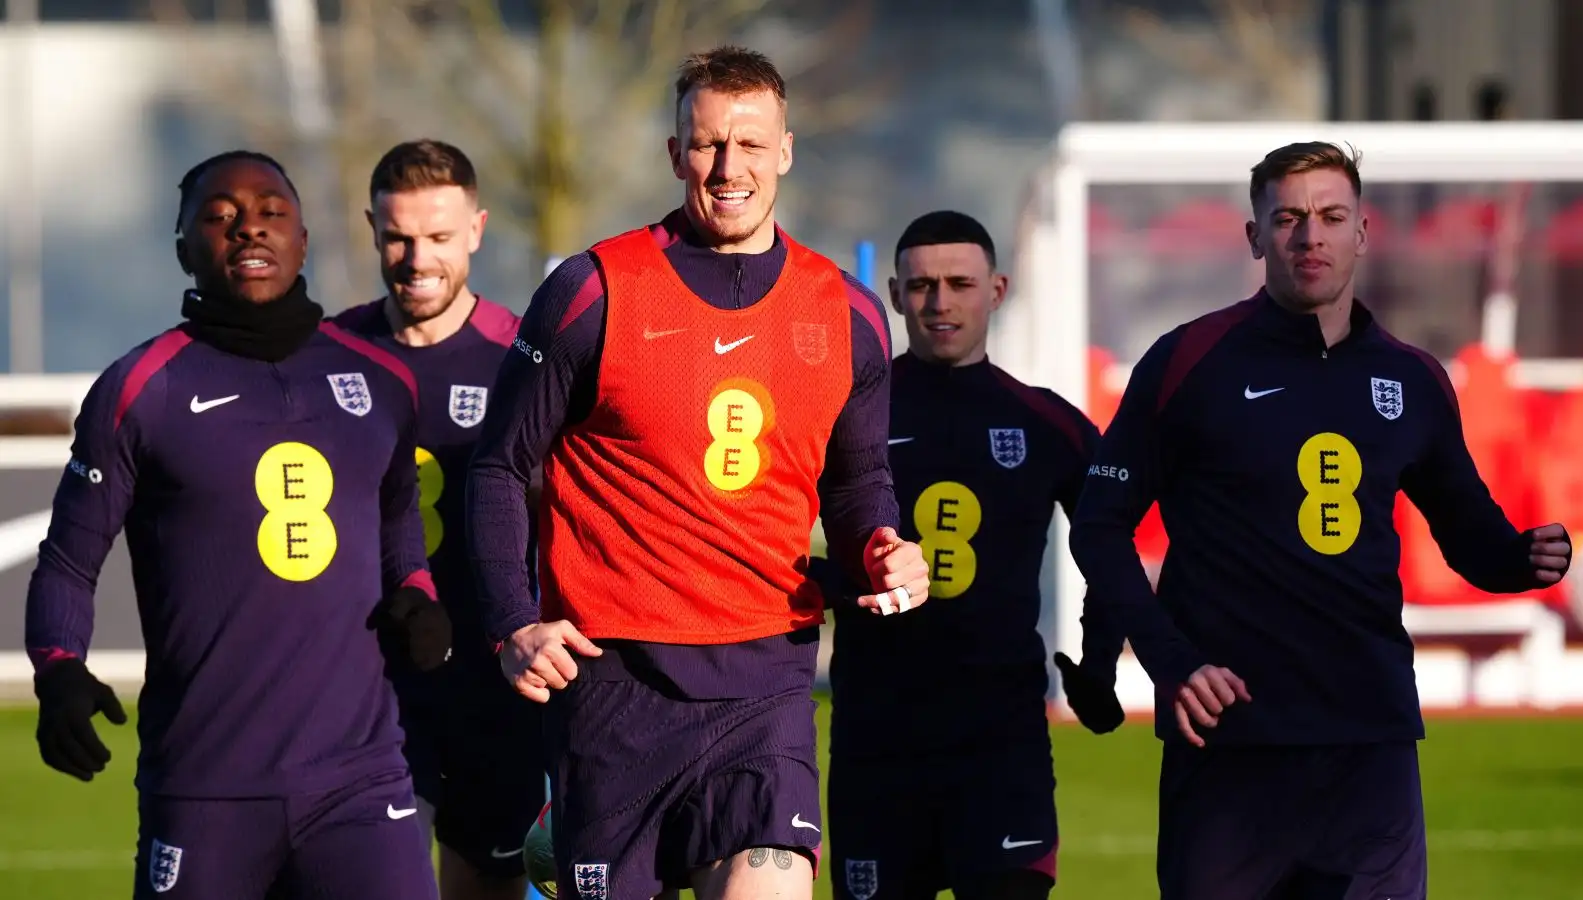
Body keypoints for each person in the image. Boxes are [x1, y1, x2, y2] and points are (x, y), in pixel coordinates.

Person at [465, 45, 932, 900]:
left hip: (767, 686)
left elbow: (858, 482)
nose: (728, 167)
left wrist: (882, 547)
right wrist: (511, 623)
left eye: (750, 144)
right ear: (676, 152)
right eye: (709, 143)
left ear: (785, 150)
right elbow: (499, 466)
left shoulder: (848, 313)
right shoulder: (592, 291)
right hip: (612, 689)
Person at [1070, 141, 1572, 900]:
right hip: (1231, 745)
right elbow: (1099, 526)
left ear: (1363, 232)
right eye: (1289, 219)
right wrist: (1168, 662)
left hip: (1370, 747)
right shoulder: (1187, 363)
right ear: (1255, 237)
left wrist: (1522, 556)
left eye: (1333, 217)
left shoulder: (1412, 378)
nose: (1312, 237)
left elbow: (1470, 538)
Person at [23, 151, 451, 900]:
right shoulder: (141, 388)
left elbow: (397, 524)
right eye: (220, 216)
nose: (249, 227)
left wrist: (417, 591)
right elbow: (67, 561)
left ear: (303, 240)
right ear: (183, 248)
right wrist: (58, 667)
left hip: (362, 781)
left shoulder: (382, 382)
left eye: (271, 212)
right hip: (205, 786)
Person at [822, 210, 1125, 900]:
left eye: (960, 283)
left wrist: (1101, 661)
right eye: (921, 286)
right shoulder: (846, 415)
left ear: (997, 290)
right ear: (895, 295)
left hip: (1000, 742)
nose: (940, 302)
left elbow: (1110, 543)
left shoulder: (1043, 422)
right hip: (877, 740)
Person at [334, 139, 543, 900]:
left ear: (477, 230)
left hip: (495, 689)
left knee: (484, 884)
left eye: (439, 236)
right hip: (369, 687)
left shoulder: (524, 358)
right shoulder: (329, 356)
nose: (417, 259)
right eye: (398, 237)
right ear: (371, 227)